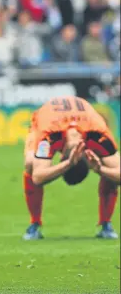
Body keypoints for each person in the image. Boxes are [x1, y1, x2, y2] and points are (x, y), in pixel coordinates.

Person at [23, 96, 120, 240]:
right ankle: (34, 223)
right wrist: (68, 164)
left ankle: (106, 223)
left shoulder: (98, 135)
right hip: (47, 117)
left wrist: (100, 169)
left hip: (80, 116)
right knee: (30, 164)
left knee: (111, 170)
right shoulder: (48, 135)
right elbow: (38, 177)